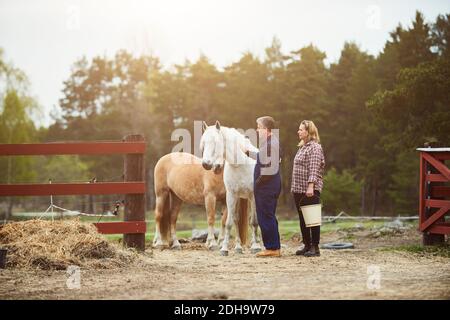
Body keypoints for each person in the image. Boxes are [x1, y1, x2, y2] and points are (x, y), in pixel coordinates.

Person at [291, 120, 325, 257]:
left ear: (309, 131)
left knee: (312, 218)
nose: (298, 132)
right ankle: (307, 245)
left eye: (301, 130)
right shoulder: (303, 147)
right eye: (299, 129)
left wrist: (311, 186)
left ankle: (315, 247)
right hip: (298, 189)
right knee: (303, 219)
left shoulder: (314, 147)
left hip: (309, 189)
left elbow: (314, 168)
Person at [250, 116, 282, 257]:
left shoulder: (271, 144)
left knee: (265, 216)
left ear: (266, 129)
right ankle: (274, 247)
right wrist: (246, 153)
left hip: (266, 186)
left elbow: (269, 169)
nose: (257, 130)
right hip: (268, 186)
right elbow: (260, 157)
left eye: (259, 127)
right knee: (268, 215)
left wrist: (257, 183)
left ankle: (272, 248)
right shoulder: (269, 142)